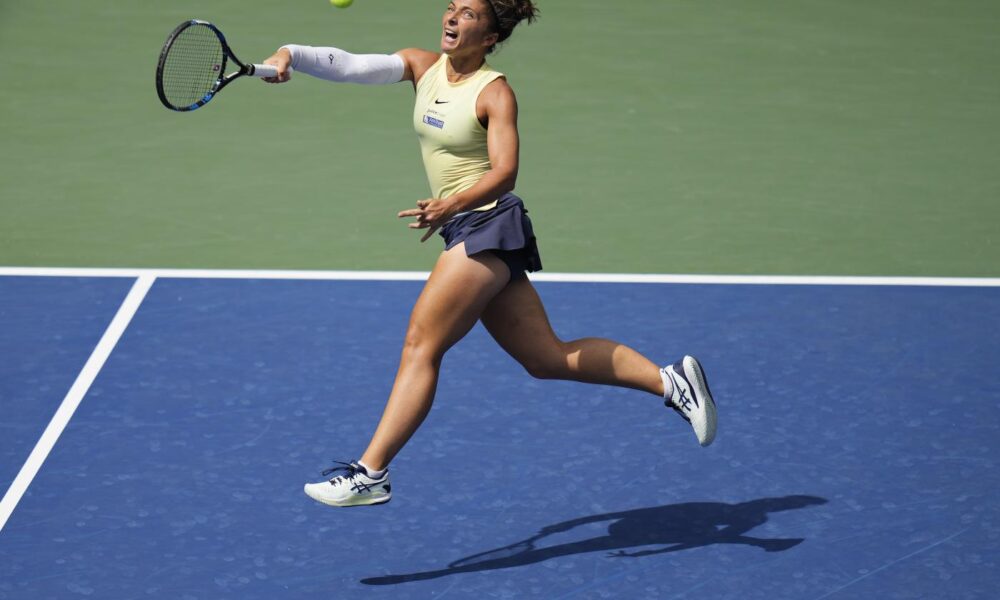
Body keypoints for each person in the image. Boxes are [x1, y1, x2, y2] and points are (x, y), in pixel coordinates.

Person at [262, 0, 718, 508]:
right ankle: (670, 381)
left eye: (468, 14)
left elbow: (505, 172)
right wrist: (290, 54)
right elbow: (349, 65)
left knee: (421, 344)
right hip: (467, 225)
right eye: (451, 7)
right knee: (545, 357)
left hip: (486, 223)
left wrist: (450, 204)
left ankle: (371, 472)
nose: (451, 18)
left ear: (490, 37)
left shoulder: (494, 92)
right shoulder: (421, 66)